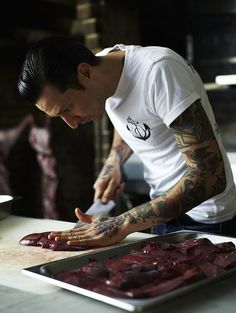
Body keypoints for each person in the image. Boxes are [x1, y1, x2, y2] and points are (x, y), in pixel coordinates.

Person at [18, 37, 236, 247]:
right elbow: (130, 115)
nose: (71, 124)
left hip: (208, 220)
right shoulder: (104, 74)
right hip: (161, 216)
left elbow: (209, 176)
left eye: (67, 108)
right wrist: (114, 162)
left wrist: (121, 223)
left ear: (84, 72)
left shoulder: (159, 71)